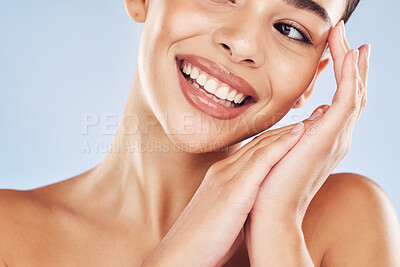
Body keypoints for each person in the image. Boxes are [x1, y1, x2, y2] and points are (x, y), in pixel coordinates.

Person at [1, 0, 399, 266]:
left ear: (313, 77)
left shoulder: (347, 219)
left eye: (290, 30)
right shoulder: (9, 234)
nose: (242, 43)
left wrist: (278, 225)